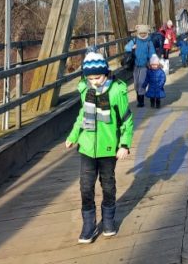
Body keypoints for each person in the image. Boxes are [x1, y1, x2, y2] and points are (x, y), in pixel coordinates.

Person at [66, 51, 134, 243]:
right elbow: (82, 116)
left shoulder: (116, 91)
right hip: (87, 147)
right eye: (90, 78)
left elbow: (126, 119)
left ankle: (109, 220)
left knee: (108, 185)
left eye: (98, 77)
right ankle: (88, 224)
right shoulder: (85, 90)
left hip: (108, 148)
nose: (95, 82)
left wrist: (124, 144)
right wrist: (73, 136)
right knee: (85, 187)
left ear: (106, 72)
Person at [126, 24, 156, 107]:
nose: (142, 34)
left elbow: (152, 53)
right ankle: (138, 96)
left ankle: (141, 101)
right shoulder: (135, 40)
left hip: (144, 65)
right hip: (135, 65)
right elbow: (126, 47)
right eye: (141, 33)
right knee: (136, 83)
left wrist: (153, 62)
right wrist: (132, 47)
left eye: (144, 33)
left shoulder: (149, 42)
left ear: (147, 33)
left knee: (142, 82)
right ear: (138, 32)